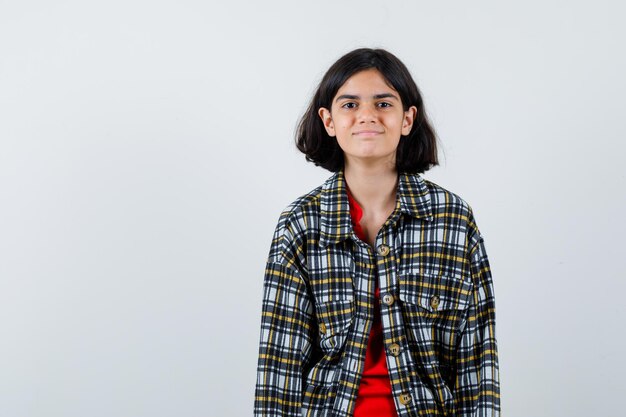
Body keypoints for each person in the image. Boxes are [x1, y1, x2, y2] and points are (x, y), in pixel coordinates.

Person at [254, 48, 500, 417]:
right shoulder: (300, 225)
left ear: (407, 118)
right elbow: (279, 371)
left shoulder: (452, 220)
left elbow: (477, 365)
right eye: (349, 105)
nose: (367, 115)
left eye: (383, 104)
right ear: (328, 121)